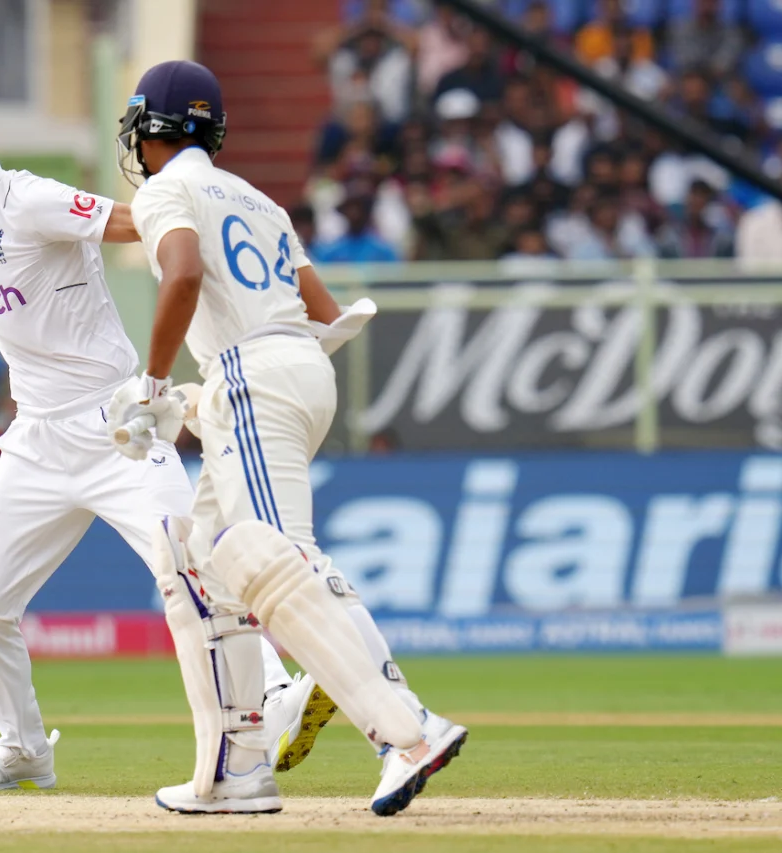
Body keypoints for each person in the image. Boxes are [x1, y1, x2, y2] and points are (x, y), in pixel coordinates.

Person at [0, 87, 322, 793]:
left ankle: (278, 693)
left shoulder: (33, 200)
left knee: (191, 568)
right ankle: (23, 749)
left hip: (115, 429)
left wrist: (215, 222)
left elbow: (134, 222)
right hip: (37, 446)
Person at [112, 59, 466, 816]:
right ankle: (238, 765)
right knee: (199, 560)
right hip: (296, 368)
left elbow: (180, 277)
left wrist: (150, 382)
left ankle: (405, 729)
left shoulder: (168, 188)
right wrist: (200, 399)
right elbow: (320, 310)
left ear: (152, 129)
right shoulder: (259, 198)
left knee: (270, 554)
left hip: (255, 375)